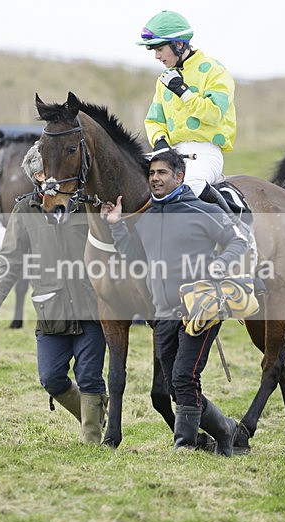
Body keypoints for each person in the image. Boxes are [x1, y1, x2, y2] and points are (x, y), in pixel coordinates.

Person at [100, 149, 247, 456]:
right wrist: (115, 224)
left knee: (184, 376)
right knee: (176, 386)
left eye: (162, 173)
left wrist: (221, 263)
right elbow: (136, 258)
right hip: (163, 313)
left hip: (201, 308)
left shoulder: (203, 210)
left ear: (179, 177)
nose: (155, 178)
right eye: (152, 173)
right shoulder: (148, 219)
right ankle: (226, 429)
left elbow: (238, 241)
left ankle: (184, 445)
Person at [0, 142, 108, 444]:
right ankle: (96, 415)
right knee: (51, 377)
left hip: (91, 306)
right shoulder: (25, 209)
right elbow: (10, 257)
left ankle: (92, 440)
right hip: (51, 309)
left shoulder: (87, 205)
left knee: (90, 376)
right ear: (39, 176)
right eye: (51, 171)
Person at [136, 10, 239, 221]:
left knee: (188, 186)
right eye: (154, 50)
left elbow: (213, 113)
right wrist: (160, 143)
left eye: (160, 49)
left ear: (179, 45)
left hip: (206, 151)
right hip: (171, 151)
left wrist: (183, 92)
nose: (157, 56)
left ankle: (233, 228)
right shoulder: (164, 79)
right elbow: (154, 120)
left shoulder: (214, 70)